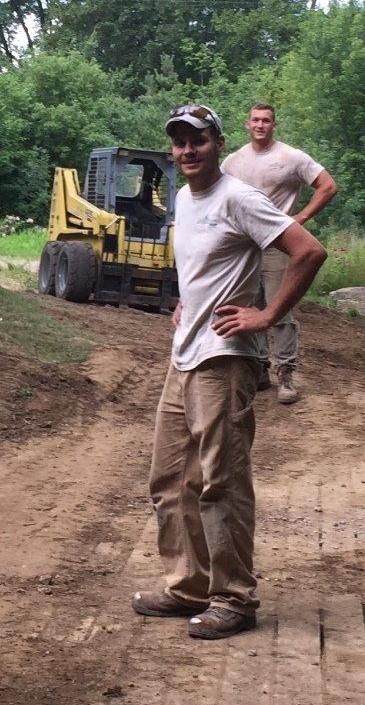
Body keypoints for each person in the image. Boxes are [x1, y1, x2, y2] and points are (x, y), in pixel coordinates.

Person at [133, 103, 326, 640]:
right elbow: (203, 266)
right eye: (178, 142)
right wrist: (184, 304)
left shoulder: (239, 197)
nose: (187, 150)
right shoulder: (182, 197)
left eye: (197, 140)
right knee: (171, 480)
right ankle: (187, 586)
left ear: (218, 143)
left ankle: (234, 599)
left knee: (222, 482)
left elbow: (308, 250)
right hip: (184, 354)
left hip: (225, 361)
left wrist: (268, 314)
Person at [221, 103, 337, 406]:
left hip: (277, 243)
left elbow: (327, 186)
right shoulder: (233, 162)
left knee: (279, 305)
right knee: (250, 304)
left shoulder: (291, 157)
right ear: (247, 124)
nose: (261, 124)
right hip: (244, 246)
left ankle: (286, 372)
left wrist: (300, 219)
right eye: (256, 120)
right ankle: (260, 368)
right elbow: (218, 197)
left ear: (275, 125)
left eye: (267, 120)